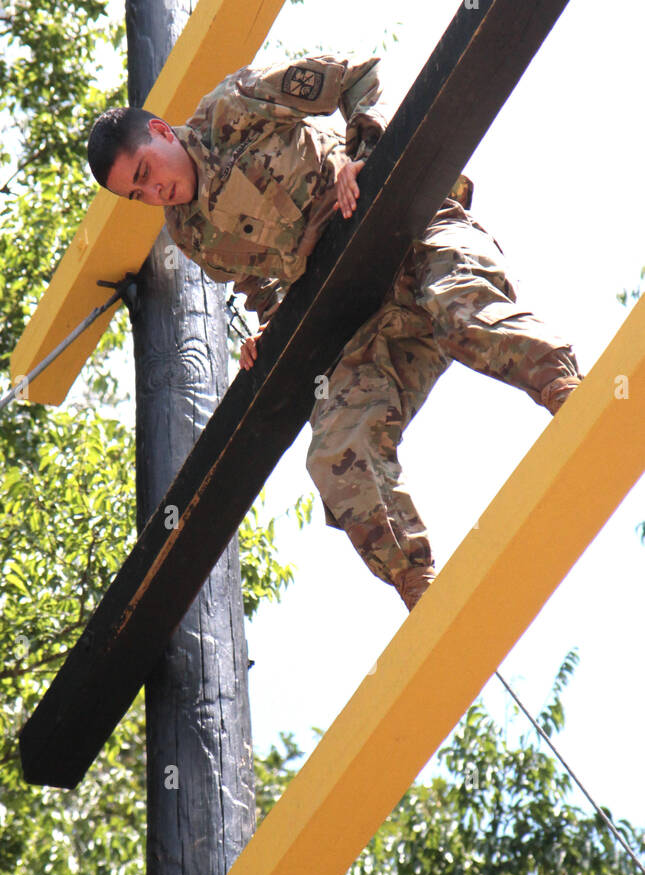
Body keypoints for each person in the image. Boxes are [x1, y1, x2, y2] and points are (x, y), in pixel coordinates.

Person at [88, 53, 582, 611]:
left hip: (409, 229)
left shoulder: (235, 105)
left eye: (146, 173)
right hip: (362, 316)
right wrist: (268, 332)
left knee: (461, 316)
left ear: (159, 132)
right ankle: (421, 588)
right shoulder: (188, 233)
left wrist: (363, 155)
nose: (155, 193)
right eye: (138, 195)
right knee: (334, 454)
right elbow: (262, 286)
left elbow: (359, 74)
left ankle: (570, 394)